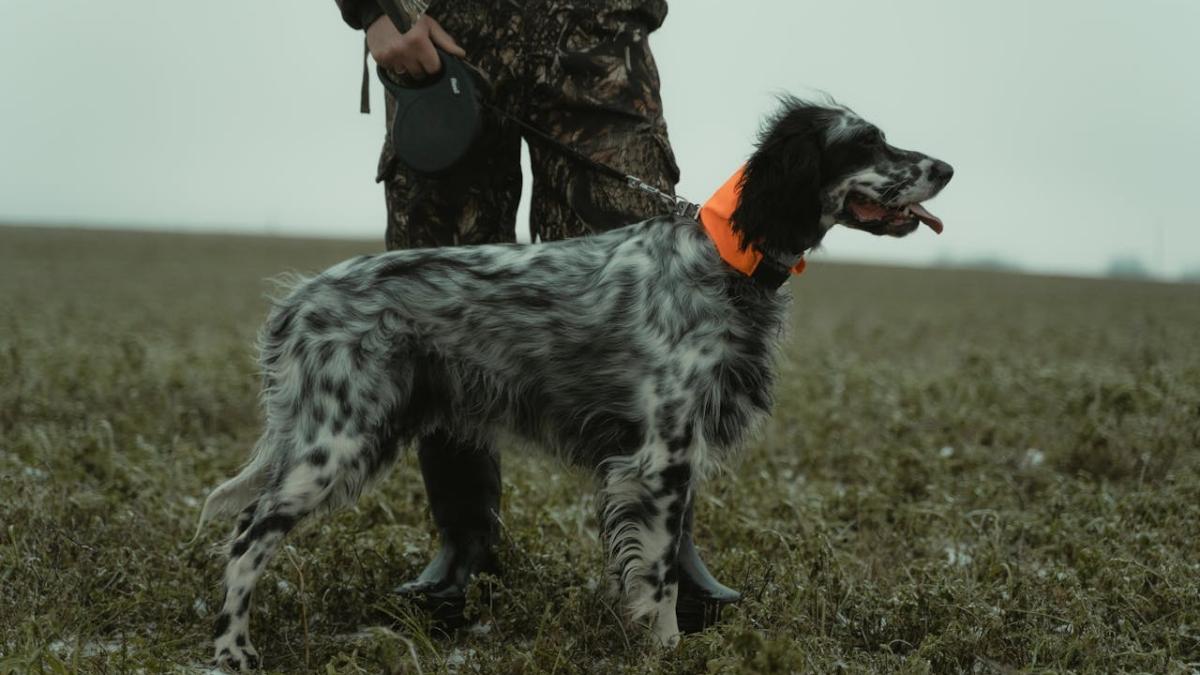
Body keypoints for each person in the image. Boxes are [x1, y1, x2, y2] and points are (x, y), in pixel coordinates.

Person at [333, 0, 738, 632]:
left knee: (644, 304)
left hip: (597, 32)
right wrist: (377, 13)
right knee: (441, 302)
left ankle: (667, 554)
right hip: (446, 33)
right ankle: (465, 548)